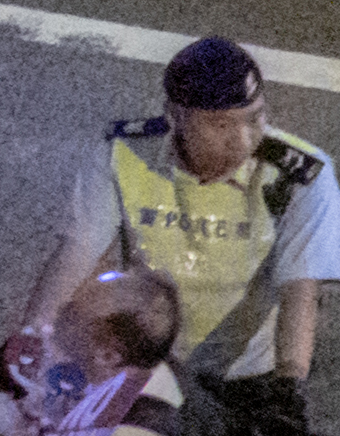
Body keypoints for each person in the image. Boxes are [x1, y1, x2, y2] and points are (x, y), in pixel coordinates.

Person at [22, 35, 331, 386]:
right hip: (144, 359)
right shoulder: (123, 151)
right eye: (221, 125)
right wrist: (33, 336)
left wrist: (289, 380)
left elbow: (300, 286)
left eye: (255, 119)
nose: (244, 141)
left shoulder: (301, 172)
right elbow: (78, 251)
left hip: (245, 374)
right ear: (175, 116)